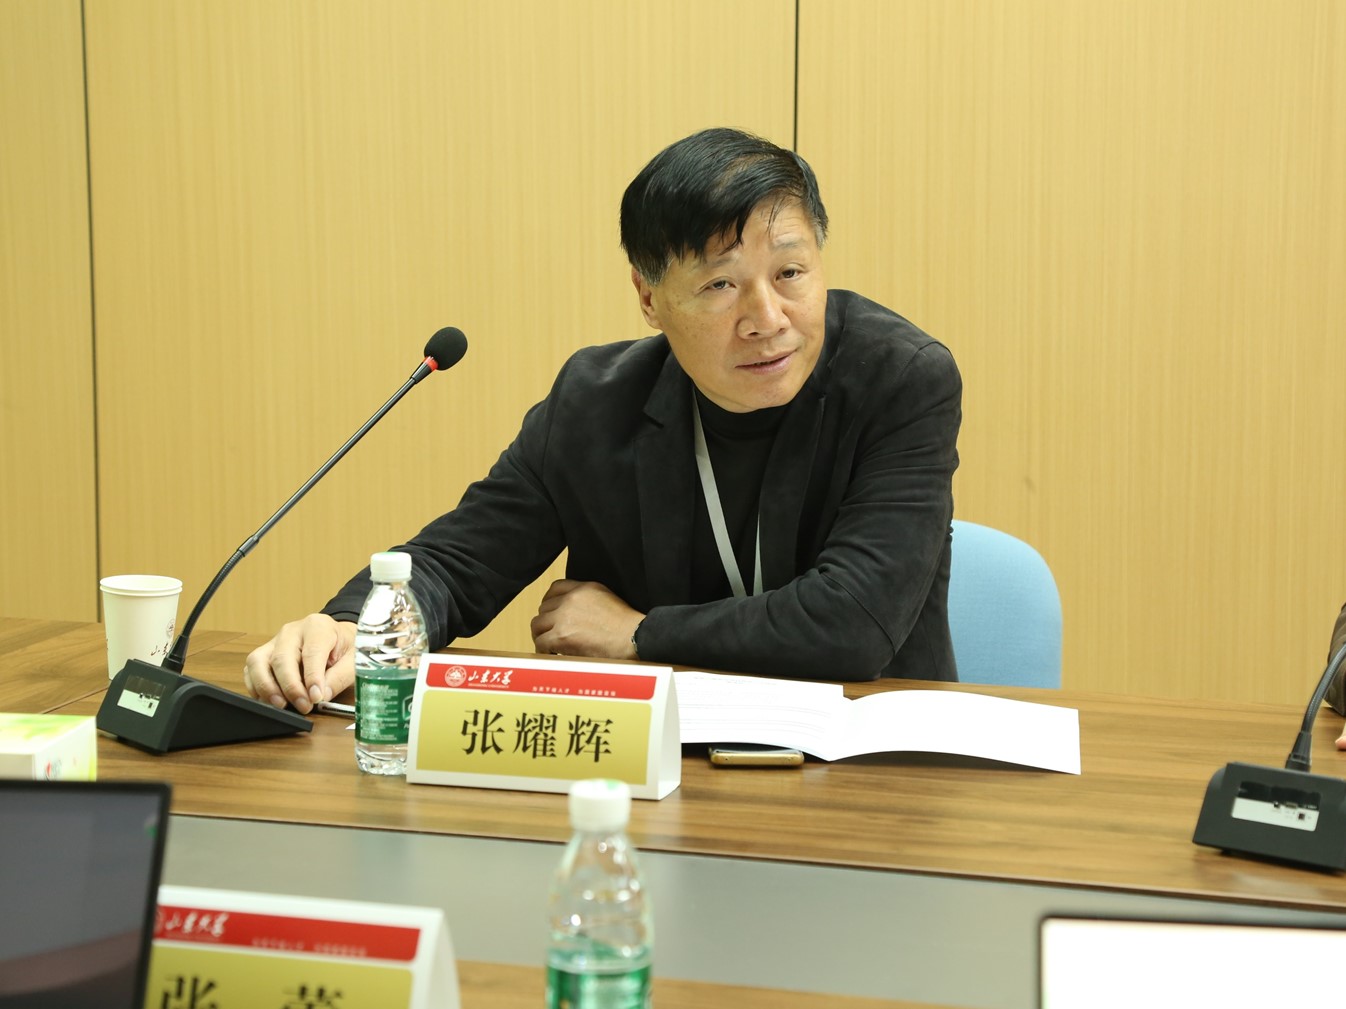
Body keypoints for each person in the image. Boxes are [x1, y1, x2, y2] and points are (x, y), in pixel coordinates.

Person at [244, 127, 963, 715]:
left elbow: (852, 624)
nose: (767, 318)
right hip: (653, 773)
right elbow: (458, 563)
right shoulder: (595, 403)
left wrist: (640, 634)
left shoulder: (901, 379)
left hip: (875, 767)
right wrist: (353, 626)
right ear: (649, 299)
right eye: (720, 284)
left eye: (790, 274)